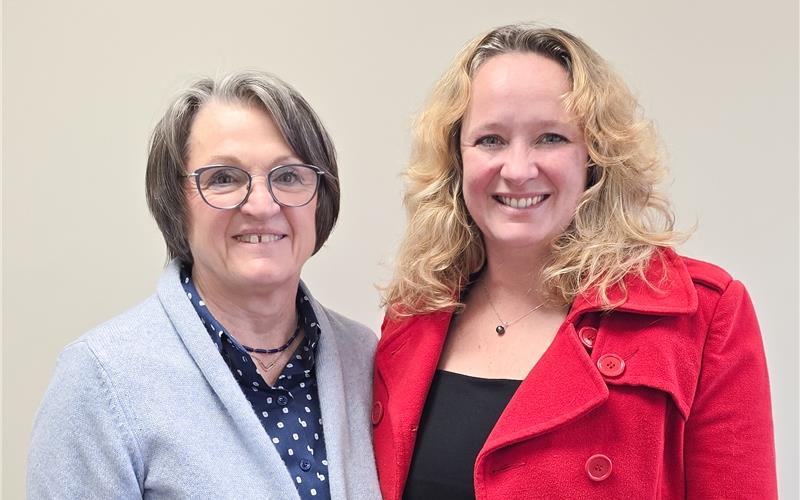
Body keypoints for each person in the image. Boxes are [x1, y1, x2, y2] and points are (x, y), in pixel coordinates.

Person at [373, 24, 777, 499]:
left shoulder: (703, 316)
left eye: (550, 137)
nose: (519, 169)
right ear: (455, 159)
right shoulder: (413, 313)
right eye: (490, 140)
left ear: (595, 156)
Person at [28, 71, 381, 499]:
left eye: (288, 176)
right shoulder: (101, 380)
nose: (263, 205)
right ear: (175, 202)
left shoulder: (364, 359)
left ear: (320, 198)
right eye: (224, 178)